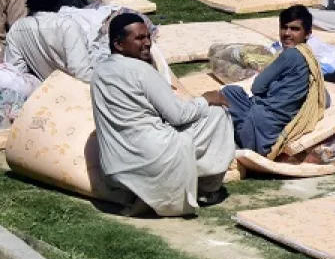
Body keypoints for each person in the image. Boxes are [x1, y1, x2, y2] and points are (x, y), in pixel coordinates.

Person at [91, 13, 235, 217]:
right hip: (153, 159)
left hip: (115, 167)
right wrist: (205, 99)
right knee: (217, 114)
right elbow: (178, 115)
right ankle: (206, 189)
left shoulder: (99, 72)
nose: (147, 43)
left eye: (148, 37)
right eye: (139, 38)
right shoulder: (141, 70)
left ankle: (148, 193)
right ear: (118, 44)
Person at [220, 4, 328, 159]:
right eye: (284, 28)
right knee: (233, 92)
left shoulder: (291, 54)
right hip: (273, 118)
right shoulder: (309, 57)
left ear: (307, 33)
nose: (287, 33)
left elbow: (257, 87)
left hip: (265, 121)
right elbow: (324, 96)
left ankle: (239, 138)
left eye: (294, 29)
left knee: (228, 94)